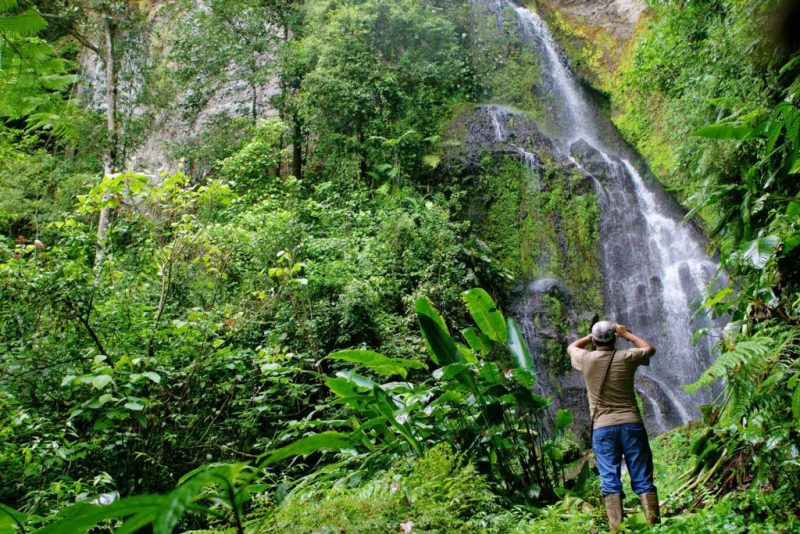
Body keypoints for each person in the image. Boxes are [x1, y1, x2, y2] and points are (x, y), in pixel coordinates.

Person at [566, 320, 659, 530]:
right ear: (614, 337)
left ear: (594, 340)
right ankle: (654, 526)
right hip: (631, 424)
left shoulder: (586, 359)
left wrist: (589, 338)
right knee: (643, 477)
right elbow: (649, 349)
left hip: (602, 427)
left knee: (609, 478)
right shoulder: (626, 357)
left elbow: (571, 347)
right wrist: (626, 334)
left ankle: (617, 528)